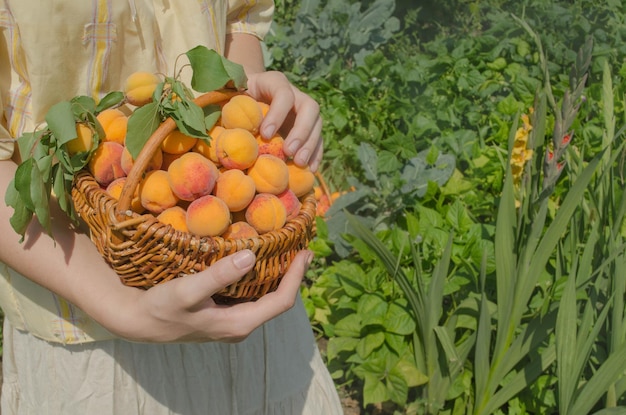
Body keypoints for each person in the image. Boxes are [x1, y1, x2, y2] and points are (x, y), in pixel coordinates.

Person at [0, 1, 343, 414]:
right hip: (91, 332)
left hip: (242, 284)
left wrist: (250, 101)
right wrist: (124, 306)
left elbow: (238, 17)